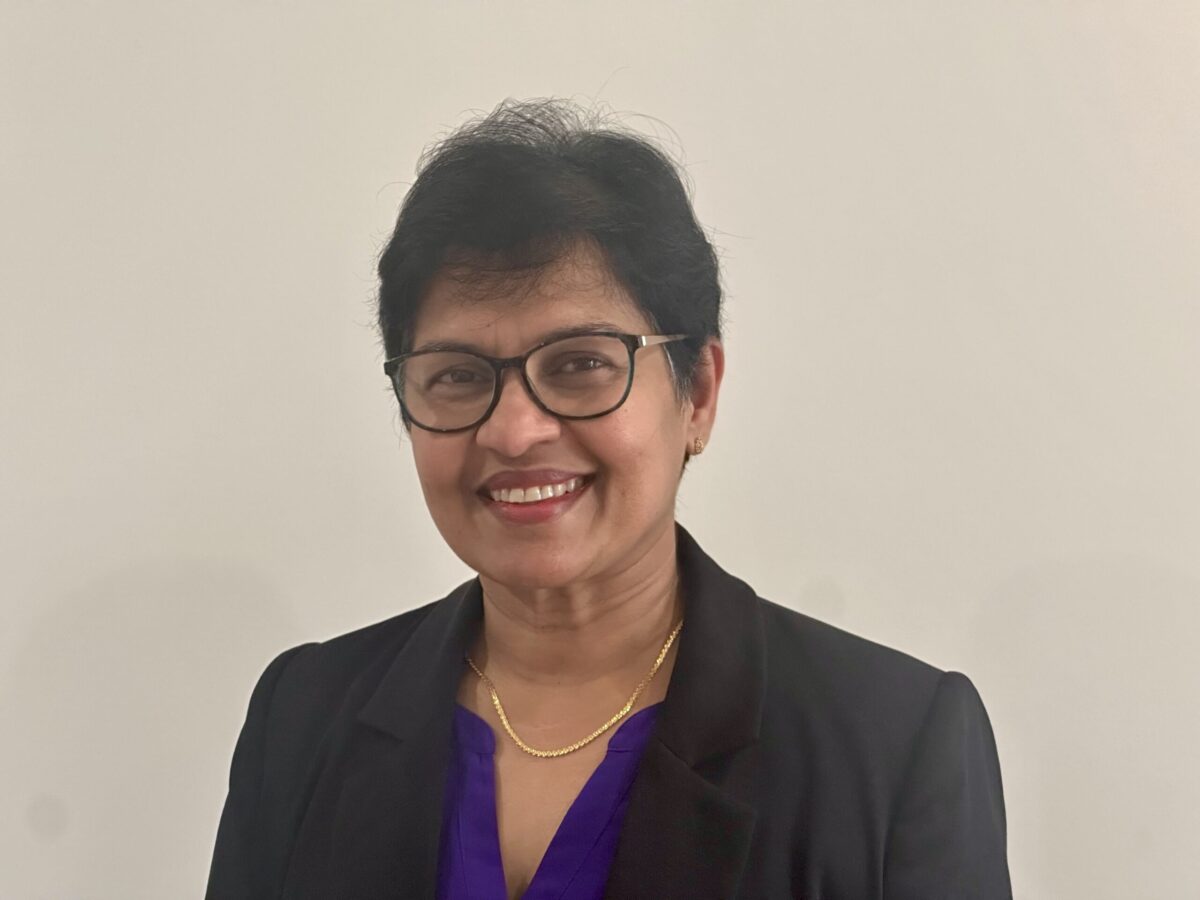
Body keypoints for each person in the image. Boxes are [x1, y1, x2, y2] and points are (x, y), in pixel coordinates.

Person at [206, 99, 1011, 899]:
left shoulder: (893, 747)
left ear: (697, 393)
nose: (514, 431)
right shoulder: (303, 719)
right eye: (456, 376)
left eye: (580, 364)